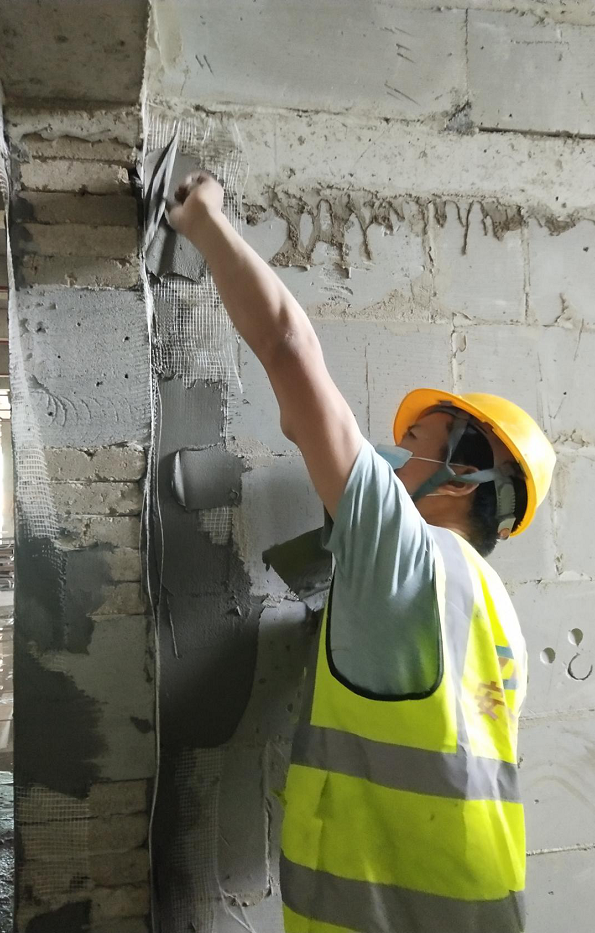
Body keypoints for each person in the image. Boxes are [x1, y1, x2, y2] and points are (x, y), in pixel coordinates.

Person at [168, 173, 556, 933]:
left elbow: (289, 350)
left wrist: (204, 219)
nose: (393, 452)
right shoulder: (493, 612)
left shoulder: (407, 559)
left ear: (463, 476)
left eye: (415, 442)